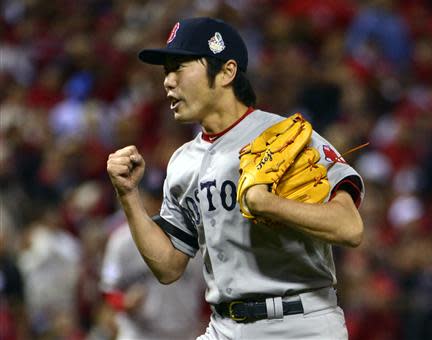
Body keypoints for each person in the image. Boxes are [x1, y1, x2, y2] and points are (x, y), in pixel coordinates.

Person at [107, 17, 364, 340]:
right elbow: (169, 266)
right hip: (224, 327)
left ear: (227, 71)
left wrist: (268, 203)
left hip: (301, 323)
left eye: (180, 67)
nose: (168, 82)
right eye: (165, 71)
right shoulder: (183, 162)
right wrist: (129, 196)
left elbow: (349, 227)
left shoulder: (287, 138)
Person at [99, 180, 206, 340]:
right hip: (140, 334)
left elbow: (207, 291)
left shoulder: (193, 239)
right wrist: (124, 302)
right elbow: (108, 289)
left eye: (162, 199)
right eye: (152, 198)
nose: (158, 205)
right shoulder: (122, 241)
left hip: (186, 334)